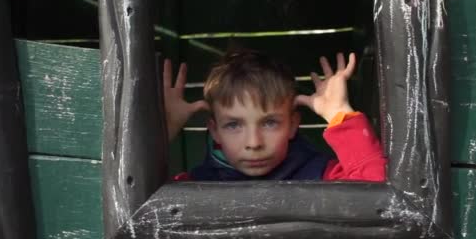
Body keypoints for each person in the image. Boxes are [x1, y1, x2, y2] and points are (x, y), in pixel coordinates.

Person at [162, 50, 386, 181]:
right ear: (215, 131)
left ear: (292, 125)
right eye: (233, 125)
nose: (254, 143)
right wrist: (164, 132)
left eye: (269, 123)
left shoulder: (319, 174)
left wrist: (339, 114)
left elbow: (378, 190)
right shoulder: (198, 185)